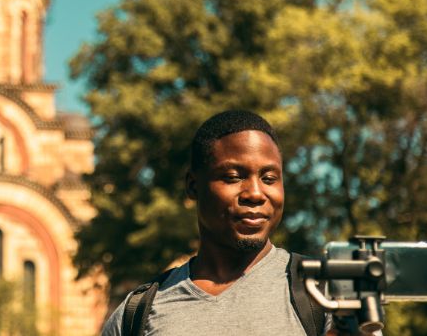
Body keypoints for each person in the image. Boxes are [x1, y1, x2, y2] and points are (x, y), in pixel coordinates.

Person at [101, 110, 373, 336]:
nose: (255, 193)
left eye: (269, 178)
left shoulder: (325, 293)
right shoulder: (137, 312)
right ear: (193, 186)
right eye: (233, 177)